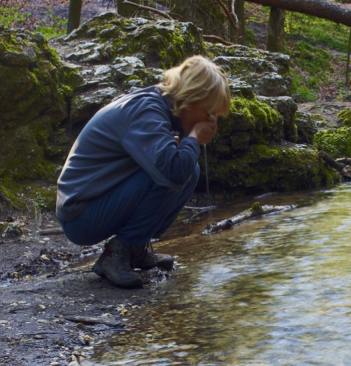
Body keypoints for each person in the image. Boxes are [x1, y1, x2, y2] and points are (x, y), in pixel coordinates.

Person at [56, 56, 230, 288]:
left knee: (191, 169)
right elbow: (172, 172)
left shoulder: (159, 107)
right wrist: (194, 137)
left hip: (94, 201)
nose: (213, 124)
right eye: (210, 115)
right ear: (191, 99)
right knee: (174, 171)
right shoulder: (147, 111)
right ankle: (116, 254)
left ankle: (135, 248)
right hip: (80, 214)